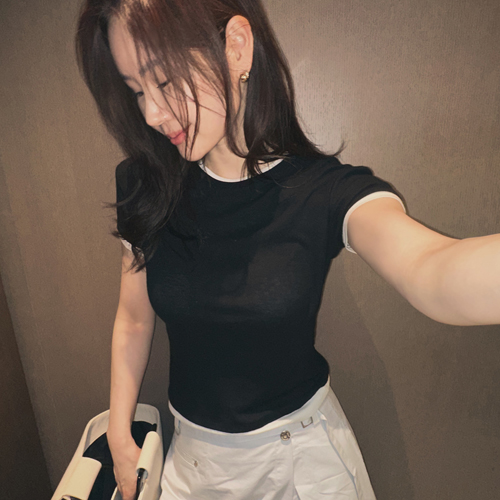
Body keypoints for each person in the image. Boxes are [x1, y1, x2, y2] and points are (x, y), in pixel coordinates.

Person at [75, 1, 500, 499]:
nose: (151, 113)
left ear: (236, 47)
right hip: (194, 466)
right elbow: (133, 319)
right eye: (137, 91)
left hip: (302, 463)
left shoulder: (323, 191)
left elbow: (432, 271)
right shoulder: (145, 187)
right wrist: (119, 432)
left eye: (164, 82)